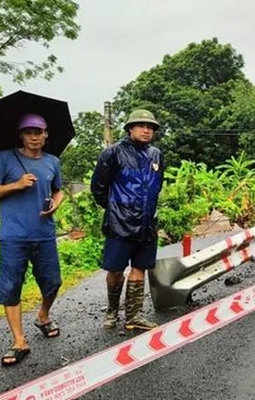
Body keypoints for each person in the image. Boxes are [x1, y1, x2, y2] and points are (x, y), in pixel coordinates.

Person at [0, 113, 64, 366]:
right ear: (21, 135)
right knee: (10, 288)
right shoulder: (4, 158)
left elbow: (58, 190)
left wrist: (55, 206)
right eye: (29, 132)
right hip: (14, 236)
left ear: (46, 134)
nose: (34, 136)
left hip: (45, 233)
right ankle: (19, 341)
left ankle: (42, 315)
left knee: (53, 282)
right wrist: (15, 185)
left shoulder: (52, 161)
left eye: (39, 131)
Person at [90, 109, 164, 331]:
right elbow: (98, 188)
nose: (146, 130)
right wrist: (116, 208)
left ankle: (134, 315)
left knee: (140, 267)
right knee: (114, 269)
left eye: (150, 127)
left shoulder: (156, 155)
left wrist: (146, 209)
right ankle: (113, 311)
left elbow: (157, 186)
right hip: (119, 223)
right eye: (141, 126)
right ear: (130, 128)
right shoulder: (113, 153)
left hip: (147, 222)